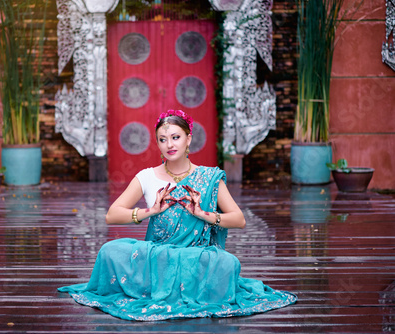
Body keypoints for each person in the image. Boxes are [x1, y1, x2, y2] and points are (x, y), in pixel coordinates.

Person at [58, 109, 297, 321]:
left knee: (227, 263)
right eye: (163, 140)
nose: (169, 144)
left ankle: (170, 285)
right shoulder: (147, 176)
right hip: (158, 256)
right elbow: (112, 215)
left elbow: (239, 219)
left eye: (175, 137)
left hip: (196, 255)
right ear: (158, 144)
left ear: (188, 139)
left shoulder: (209, 177)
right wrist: (150, 211)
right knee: (110, 251)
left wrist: (203, 214)